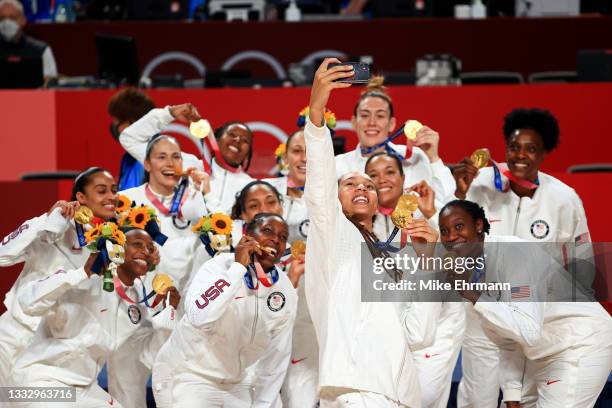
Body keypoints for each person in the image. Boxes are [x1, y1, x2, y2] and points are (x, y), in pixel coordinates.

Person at [304, 58, 441, 407]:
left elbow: (420, 335)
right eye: (350, 182)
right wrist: (317, 108)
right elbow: (320, 183)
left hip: (400, 395)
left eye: (369, 184)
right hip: (354, 390)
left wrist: (427, 261)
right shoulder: (333, 238)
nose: (362, 186)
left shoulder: (393, 254)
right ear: (335, 199)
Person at [452, 108, 595, 407]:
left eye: (531, 149)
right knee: (478, 398)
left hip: (535, 316)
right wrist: (460, 192)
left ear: (544, 154)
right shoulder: (480, 185)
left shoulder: (564, 199)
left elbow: (582, 265)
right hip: (484, 313)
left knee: (526, 399)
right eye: (514, 147)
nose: (520, 156)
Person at [438, 199, 612, 408]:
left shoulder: (514, 254)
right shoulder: (470, 273)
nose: (451, 237)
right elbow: (507, 340)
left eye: (459, 226)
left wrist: (473, 296)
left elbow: (528, 331)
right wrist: (511, 394)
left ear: (478, 225)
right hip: (541, 353)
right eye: (444, 231)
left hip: (579, 343)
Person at [11, 226, 180, 408]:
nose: (145, 251)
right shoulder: (85, 276)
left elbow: (148, 358)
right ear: (115, 248)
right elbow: (26, 301)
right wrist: (80, 274)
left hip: (84, 387)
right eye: (137, 244)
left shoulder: (140, 302)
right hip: (41, 381)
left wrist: (168, 315)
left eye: (150, 248)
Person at [152, 213, 297, 407]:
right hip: (189, 374)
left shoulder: (284, 289)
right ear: (247, 235)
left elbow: (277, 356)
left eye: (282, 237)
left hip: (237, 383)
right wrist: (238, 268)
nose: (275, 240)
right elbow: (198, 316)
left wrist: (263, 404)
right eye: (267, 231)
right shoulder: (217, 267)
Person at [0, 167, 117, 386]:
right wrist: (45, 221)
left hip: (53, 345)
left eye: (114, 190)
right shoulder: (50, 226)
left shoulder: (109, 242)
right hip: (18, 333)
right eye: (102, 191)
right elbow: (2, 257)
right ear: (80, 197)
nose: (111, 196)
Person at [365, 152, 464, 408]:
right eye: (373, 175)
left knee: (423, 400)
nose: (382, 180)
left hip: (434, 327)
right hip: (389, 328)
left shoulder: (427, 215)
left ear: (403, 177)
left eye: (389, 172)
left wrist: (432, 214)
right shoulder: (363, 222)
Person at [334, 75, 455, 203]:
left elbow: (447, 203)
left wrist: (434, 159)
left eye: (380, 116)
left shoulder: (415, 157)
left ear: (391, 124)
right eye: (364, 115)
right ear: (354, 122)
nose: (372, 122)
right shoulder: (339, 165)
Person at [119, 103, 254, 213]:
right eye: (232, 134)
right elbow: (130, 138)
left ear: (248, 152)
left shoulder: (249, 187)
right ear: (216, 139)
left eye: (245, 140)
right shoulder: (183, 163)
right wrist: (169, 113)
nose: (237, 140)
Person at [265, 127, 318, 408]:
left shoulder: (333, 194)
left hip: (310, 313)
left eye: (310, 151)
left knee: (301, 396)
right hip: (268, 308)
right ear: (285, 157)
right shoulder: (266, 192)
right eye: (297, 151)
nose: (304, 158)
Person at [107, 87, 156, 190]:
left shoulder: (153, 158)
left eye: (118, 122)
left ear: (135, 123)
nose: (115, 128)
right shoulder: (129, 158)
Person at [0, 0, 57, 82]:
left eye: (12, 18)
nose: (6, 23)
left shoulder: (41, 50)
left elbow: (50, 85)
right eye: (2, 18)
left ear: (23, 20)